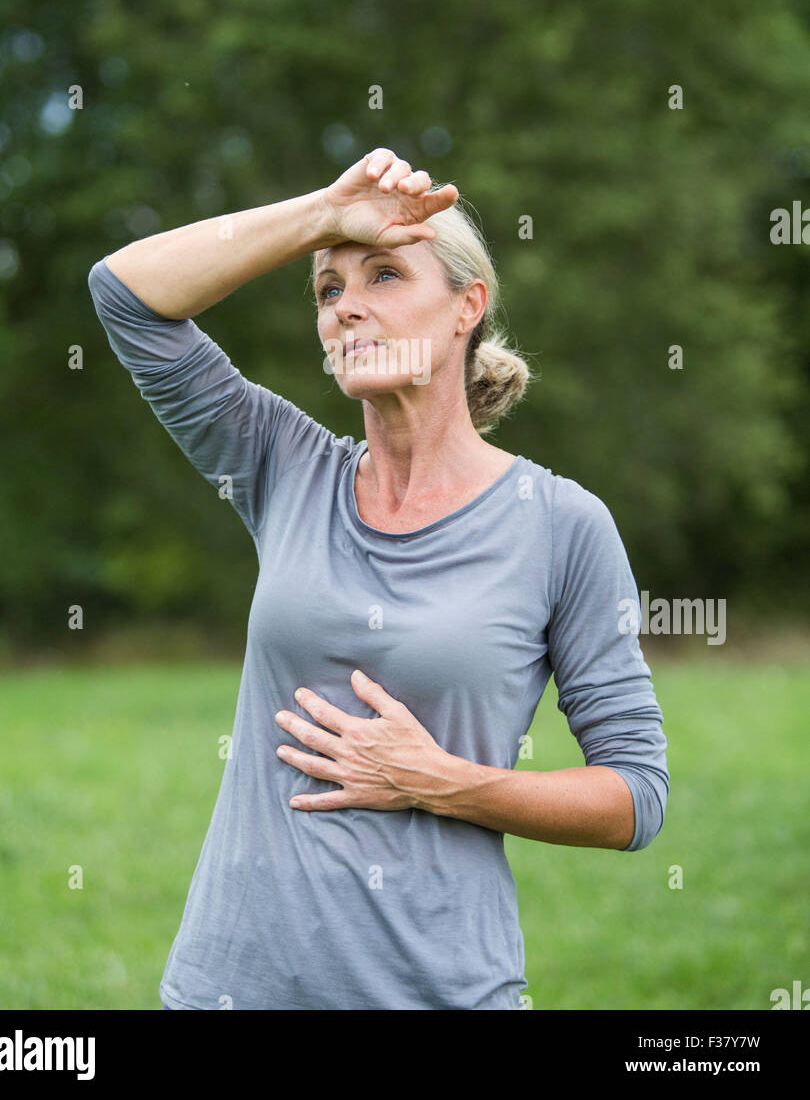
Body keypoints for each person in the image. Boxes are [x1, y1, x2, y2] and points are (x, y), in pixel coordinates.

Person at [88, 147, 669, 1010]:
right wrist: (325, 214)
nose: (348, 308)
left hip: (437, 992)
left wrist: (443, 781)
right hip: (230, 990)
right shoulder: (284, 465)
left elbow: (636, 796)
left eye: (385, 275)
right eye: (329, 289)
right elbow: (126, 295)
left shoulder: (560, 526)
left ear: (467, 307)